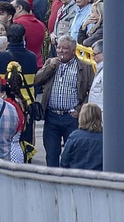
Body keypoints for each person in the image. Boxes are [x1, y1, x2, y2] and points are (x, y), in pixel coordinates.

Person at [33, 36, 94, 167]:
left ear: (73, 50)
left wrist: (80, 110)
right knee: (51, 154)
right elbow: (37, 80)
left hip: (71, 117)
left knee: (72, 154)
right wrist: (50, 67)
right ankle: (52, 178)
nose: (60, 51)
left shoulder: (84, 67)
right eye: (58, 47)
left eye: (64, 48)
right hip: (52, 116)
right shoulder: (51, 63)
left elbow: (91, 91)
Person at [58, 103, 104, 170]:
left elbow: (64, 161)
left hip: (76, 173)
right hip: (98, 174)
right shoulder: (105, 139)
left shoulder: (74, 136)